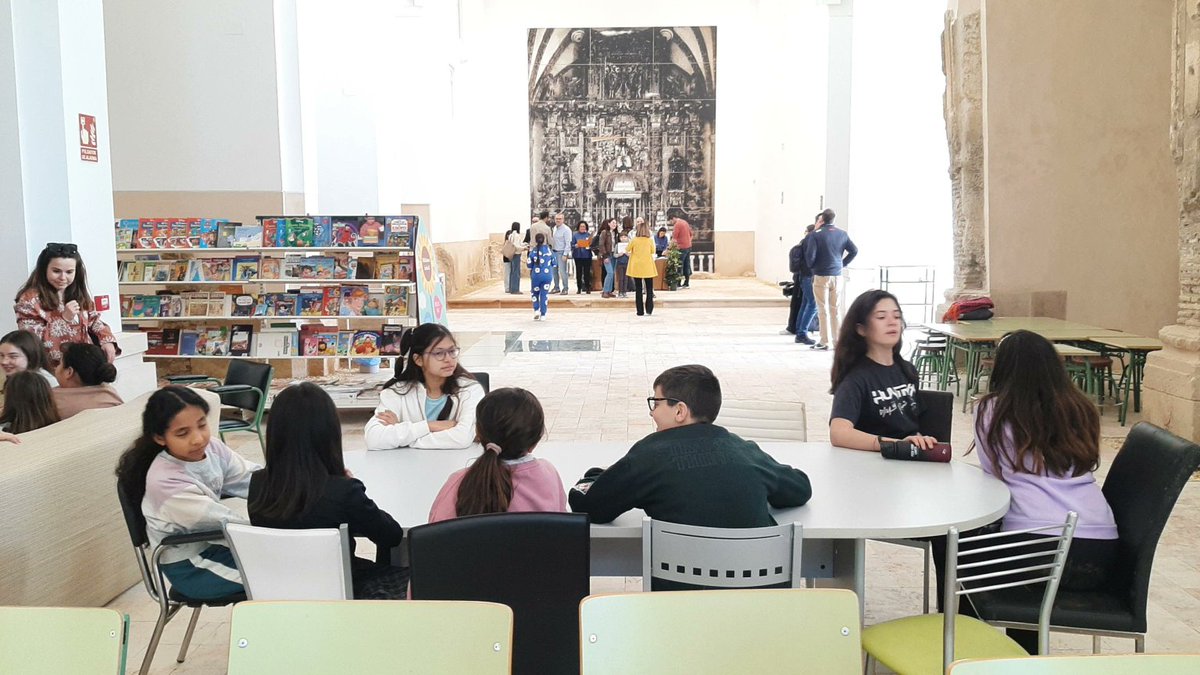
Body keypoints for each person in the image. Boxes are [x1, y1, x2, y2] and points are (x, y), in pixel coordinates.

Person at [568, 365, 812, 529]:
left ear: (680, 411)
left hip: (678, 590)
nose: (652, 413)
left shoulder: (647, 456)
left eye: (656, 403)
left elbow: (588, 505)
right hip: (759, 590)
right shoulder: (745, 451)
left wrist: (596, 475)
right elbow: (800, 489)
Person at [249, 382, 409, 599]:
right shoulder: (343, 491)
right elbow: (392, 536)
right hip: (342, 589)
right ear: (329, 434)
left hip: (280, 591)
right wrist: (351, 486)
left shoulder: (257, 484)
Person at [115, 386, 260, 599]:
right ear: (160, 438)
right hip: (191, 567)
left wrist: (294, 490)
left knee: (290, 564)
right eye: (182, 433)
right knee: (283, 576)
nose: (198, 439)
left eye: (202, 425)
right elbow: (228, 524)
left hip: (216, 546)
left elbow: (253, 478)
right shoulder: (166, 483)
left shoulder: (212, 448)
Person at [428, 387, 566, 522]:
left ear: (478, 433)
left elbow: (436, 531)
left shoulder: (460, 482)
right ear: (535, 441)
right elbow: (561, 525)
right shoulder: (549, 474)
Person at [828, 290, 940, 454]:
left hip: (907, 458)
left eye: (897, 316)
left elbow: (912, 424)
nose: (892, 322)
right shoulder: (855, 379)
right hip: (872, 460)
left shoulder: (907, 370)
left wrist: (920, 439)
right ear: (861, 329)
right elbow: (839, 433)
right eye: (881, 317)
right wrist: (895, 445)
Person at [364, 323, 484, 450]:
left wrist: (403, 434)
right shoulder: (397, 392)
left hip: (457, 461)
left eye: (452, 351)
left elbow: (462, 438)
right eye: (439, 353)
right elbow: (373, 439)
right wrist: (429, 426)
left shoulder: (470, 389)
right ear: (418, 359)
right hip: (409, 462)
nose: (449, 359)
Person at [14, 242, 119, 366]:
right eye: (56, 271)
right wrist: (63, 319)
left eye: (69, 272)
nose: (63, 277)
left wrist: (107, 340)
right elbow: (31, 341)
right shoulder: (29, 300)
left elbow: (94, 320)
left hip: (84, 364)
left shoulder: (77, 292)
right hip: (52, 368)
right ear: (44, 269)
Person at [805, 209, 858, 351]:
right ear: (833, 219)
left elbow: (810, 257)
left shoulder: (816, 235)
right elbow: (854, 251)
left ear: (822, 219)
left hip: (821, 275)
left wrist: (813, 267)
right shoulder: (842, 234)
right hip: (837, 275)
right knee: (835, 309)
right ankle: (837, 341)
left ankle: (824, 341)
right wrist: (842, 264)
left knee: (822, 309)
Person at [52, 342, 123, 419]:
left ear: (69, 372)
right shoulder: (111, 396)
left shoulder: (52, 403)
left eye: (60, 364)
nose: (57, 368)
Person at [786, 217, 821, 345]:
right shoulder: (812, 240)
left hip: (804, 275)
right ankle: (802, 332)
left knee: (806, 303)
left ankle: (799, 331)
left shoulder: (805, 241)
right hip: (809, 276)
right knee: (813, 304)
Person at [626, 219, 657, 316]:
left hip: (636, 266)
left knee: (638, 289)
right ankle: (649, 309)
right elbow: (653, 251)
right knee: (649, 288)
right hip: (648, 265)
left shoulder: (634, 240)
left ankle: (640, 311)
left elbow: (627, 249)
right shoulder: (649, 240)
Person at [528, 233, 557, 321]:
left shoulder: (533, 251)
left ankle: (536, 310)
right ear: (544, 240)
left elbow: (529, 265)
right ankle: (543, 314)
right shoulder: (549, 250)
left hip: (536, 276)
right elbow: (554, 263)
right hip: (547, 276)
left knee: (535, 293)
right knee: (544, 294)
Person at [551, 212, 573, 295]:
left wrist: (565, 254)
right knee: (554, 271)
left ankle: (565, 288)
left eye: (560, 219)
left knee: (562, 271)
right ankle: (556, 287)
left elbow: (568, 243)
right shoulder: (554, 228)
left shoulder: (566, 230)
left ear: (563, 220)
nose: (558, 220)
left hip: (561, 252)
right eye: (556, 219)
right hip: (554, 252)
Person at [502, 222, 526, 295]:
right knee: (516, 272)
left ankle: (511, 288)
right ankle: (515, 289)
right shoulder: (517, 235)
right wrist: (524, 248)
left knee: (512, 272)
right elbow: (516, 246)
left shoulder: (510, 235)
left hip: (512, 254)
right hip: (516, 254)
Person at [670, 214, 693, 288]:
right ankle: (686, 283)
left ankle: (678, 283)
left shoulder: (677, 225)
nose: (671, 223)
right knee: (687, 264)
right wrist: (688, 242)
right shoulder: (685, 222)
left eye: (671, 221)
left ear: (673, 218)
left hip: (681, 247)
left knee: (679, 265)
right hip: (688, 246)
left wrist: (669, 248)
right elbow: (691, 234)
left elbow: (674, 238)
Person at [572, 221, 594, 294]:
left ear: (586, 227)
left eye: (584, 226)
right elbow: (571, 245)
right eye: (581, 226)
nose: (582, 228)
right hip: (578, 256)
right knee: (579, 272)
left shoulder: (588, 235)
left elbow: (592, 245)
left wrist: (590, 246)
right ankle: (579, 288)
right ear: (578, 227)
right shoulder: (575, 235)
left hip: (587, 256)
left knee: (587, 272)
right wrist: (575, 246)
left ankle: (587, 287)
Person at [598, 220, 616, 298]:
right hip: (607, 254)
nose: (614, 224)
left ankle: (609, 291)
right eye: (613, 223)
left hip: (614, 255)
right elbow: (601, 244)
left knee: (613, 273)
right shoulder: (604, 232)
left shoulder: (615, 233)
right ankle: (605, 291)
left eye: (615, 223)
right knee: (610, 273)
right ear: (608, 224)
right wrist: (604, 256)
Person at [614, 231, 631, 299]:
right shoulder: (617, 245)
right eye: (622, 237)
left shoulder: (629, 245)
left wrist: (628, 254)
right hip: (620, 263)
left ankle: (625, 292)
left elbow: (632, 254)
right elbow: (614, 255)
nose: (623, 238)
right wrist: (619, 254)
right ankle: (620, 292)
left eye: (625, 237)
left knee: (626, 278)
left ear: (627, 238)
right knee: (621, 278)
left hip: (627, 263)